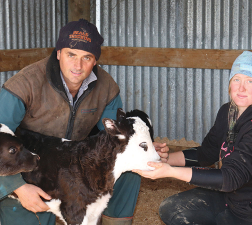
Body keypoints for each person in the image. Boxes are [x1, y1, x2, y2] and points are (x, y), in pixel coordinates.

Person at [0, 19, 168, 225]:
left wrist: (143, 148)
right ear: (59, 53)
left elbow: (115, 137)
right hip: (30, 163)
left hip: (76, 161)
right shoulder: (25, 84)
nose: (78, 66)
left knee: (130, 171)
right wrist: (17, 187)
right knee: (32, 211)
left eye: (86, 57)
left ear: (95, 60)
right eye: (71, 55)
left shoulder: (106, 86)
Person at [133, 51, 252, 225]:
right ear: (230, 83)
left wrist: (170, 172)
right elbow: (206, 154)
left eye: (250, 81)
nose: (241, 88)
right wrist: (165, 160)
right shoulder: (228, 112)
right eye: (237, 79)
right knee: (173, 209)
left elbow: (230, 178)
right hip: (236, 200)